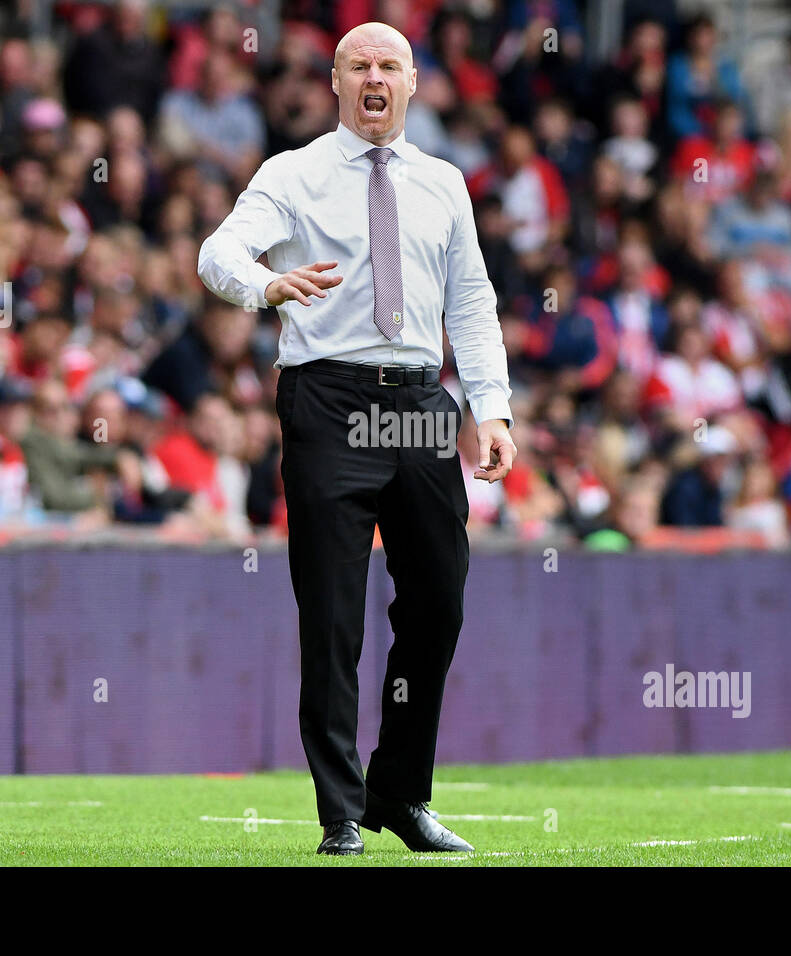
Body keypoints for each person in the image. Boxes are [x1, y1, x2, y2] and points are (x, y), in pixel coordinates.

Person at [197, 22, 516, 856]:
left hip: (418, 401)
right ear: (337, 82)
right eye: (359, 65)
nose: (374, 78)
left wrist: (493, 407)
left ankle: (400, 794)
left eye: (389, 66)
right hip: (329, 397)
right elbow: (216, 252)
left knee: (438, 603)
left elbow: (472, 303)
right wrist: (266, 282)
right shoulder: (292, 173)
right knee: (333, 615)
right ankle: (341, 811)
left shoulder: (445, 182)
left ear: (413, 84)